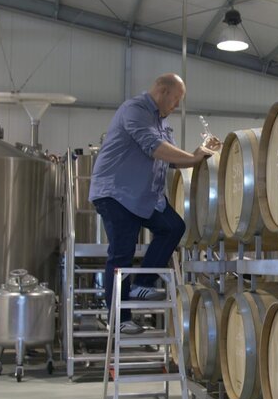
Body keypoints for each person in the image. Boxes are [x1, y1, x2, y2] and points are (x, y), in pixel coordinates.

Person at [89, 73, 221, 334]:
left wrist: (200, 152)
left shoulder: (161, 122)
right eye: (176, 99)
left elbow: (172, 159)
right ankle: (119, 318)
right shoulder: (134, 110)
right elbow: (155, 148)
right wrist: (194, 158)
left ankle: (141, 284)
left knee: (173, 227)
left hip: (144, 198)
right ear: (162, 91)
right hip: (117, 194)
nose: (177, 105)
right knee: (121, 253)